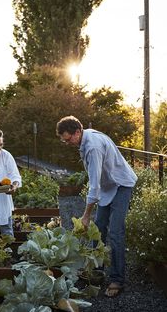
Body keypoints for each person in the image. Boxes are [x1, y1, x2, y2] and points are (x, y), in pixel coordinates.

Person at [56, 115, 137, 298]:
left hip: (121, 184)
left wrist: (85, 215)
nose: (67, 143)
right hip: (109, 186)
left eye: (69, 139)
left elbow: (94, 186)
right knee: (97, 229)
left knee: (115, 233)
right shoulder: (85, 137)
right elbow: (97, 182)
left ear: (78, 132)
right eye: (64, 140)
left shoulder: (92, 147)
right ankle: (97, 271)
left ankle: (117, 279)